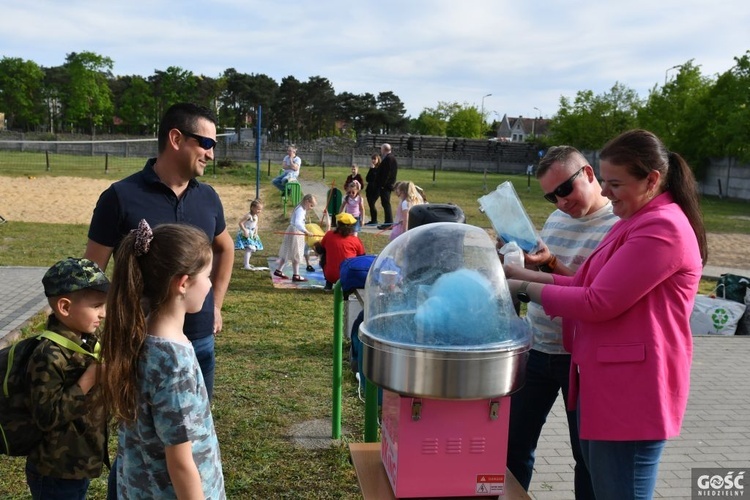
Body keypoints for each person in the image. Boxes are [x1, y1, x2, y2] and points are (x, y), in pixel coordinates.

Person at [506, 129, 707, 500]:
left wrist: (522, 287)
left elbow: (598, 301)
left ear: (652, 180)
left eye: (615, 183)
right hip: (606, 387)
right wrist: (517, 274)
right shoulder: (636, 220)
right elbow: (582, 282)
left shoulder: (662, 227)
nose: (608, 191)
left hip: (631, 395)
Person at [85, 102, 234, 402]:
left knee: (198, 421)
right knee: (147, 430)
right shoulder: (119, 197)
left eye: (214, 145)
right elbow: (92, 271)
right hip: (142, 340)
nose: (211, 153)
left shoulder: (208, 197)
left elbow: (225, 247)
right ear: (176, 139)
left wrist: (215, 304)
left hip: (200, 338)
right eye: (205, 143)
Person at [504, 146, 617, 499]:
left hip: (580, 359)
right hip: (537, 347)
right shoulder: (557, 218)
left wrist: (541, 267)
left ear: (588, 173)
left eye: (565, 190)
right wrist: (529, 262)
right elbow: (548, 275)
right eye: (551, 196)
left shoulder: (617, 227)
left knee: (586, 458)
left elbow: (589, 293)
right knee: (512, 448)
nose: (560, 202)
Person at [99, 220, 225, 499]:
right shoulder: (172, 362)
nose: (210, 284)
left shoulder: (138, 334)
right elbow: (181, 462)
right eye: (206, 275)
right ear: (183, 283)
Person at [25, 258, 109, 500]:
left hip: (76, 463)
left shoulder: (85, 338)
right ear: (64, 307)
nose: (103, 314)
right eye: (96, 306)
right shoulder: (48, 355)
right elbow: (46, 416)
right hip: (55, 471)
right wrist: (90, 379)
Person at [275, 194, 317, 282]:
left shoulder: (301, 208)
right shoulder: (301, 210)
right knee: (297, 253)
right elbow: (298, 223)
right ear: (307, 201)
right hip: (296, 231)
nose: (311, 208)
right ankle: (296, 275)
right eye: (311, 205)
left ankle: (279, 270)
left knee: (288, 251)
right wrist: (307, 232)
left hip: (294, 230)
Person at [319, 212, 366, 290]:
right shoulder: (355, 240)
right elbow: (362, 257)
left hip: (330, 275)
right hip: (348, 277)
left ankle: (328, 283)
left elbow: (321, 249)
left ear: (338, 224)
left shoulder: (329, 235)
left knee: (324, 255)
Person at [235, 199, 264, 270]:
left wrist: (256, 232)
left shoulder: (256, 216)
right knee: (250, 248)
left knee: (252, 249)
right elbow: (240, 223)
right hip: (246, 233)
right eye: (258, 209)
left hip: (252, 234)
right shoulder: (248, 216)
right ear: (252, 208)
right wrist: (245, 231)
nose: (259, 211)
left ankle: (246, 263)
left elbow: (256, 225)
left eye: (260, 209)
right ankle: (246, 265)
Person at [376, 144, 398, 229]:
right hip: (386, 185)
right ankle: (387, 222)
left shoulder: (389, 159)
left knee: (386, 204)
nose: (380, 151)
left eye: (381, 149)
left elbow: (387, 174)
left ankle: (388, 223)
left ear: (384, 150)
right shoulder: (389, 158)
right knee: (385, 204)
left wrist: (382, 185)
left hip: (386, 186)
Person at [365, 154, 381, 226]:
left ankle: (374, 220)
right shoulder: (372, 168)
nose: (373, 160)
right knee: (370, 205)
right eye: (372, 159)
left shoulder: (379, 168)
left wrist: (373, 169)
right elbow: (367, 178)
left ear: (378, 160)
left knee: (372, 203)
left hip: (376, 189)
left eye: (375, 159)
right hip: (369, 189)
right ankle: (372, 220)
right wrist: (371, 169)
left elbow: (376, 178)